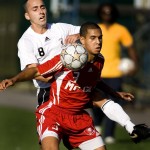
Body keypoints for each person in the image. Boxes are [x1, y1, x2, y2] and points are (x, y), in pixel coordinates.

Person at [0, 22, 149, 150]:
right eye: (93, 38)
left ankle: (129, 126)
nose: (98, 42)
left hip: (79, 118)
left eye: (100, 38)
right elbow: (35, 70)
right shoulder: (67, 57)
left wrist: (114, 93)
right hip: (54, 115)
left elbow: (95, 81)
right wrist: (13, 80)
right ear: (82, 40)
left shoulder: (99, 60)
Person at [92, 2, 139, 144]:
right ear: (100, 13)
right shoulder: (96, 29)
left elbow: (131, 48)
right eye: (104, 12)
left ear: (114, 14)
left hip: (115, 73)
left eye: (110, 12)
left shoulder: (121, 30)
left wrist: (135, 65)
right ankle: (98, 125)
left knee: (114, 102)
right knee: (96, 101)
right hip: (97, 72)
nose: (107, 15)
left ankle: (109, 134)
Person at [18, 0, 80, 107]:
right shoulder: (26, 41)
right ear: (27, 16)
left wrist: (79, 35)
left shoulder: (59, 28)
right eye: (35, 9)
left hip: (71, 88)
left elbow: (91, 31)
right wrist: (61, 78)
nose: (41, 11)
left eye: (42, 7)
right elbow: (35, 72)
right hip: (48, 92)